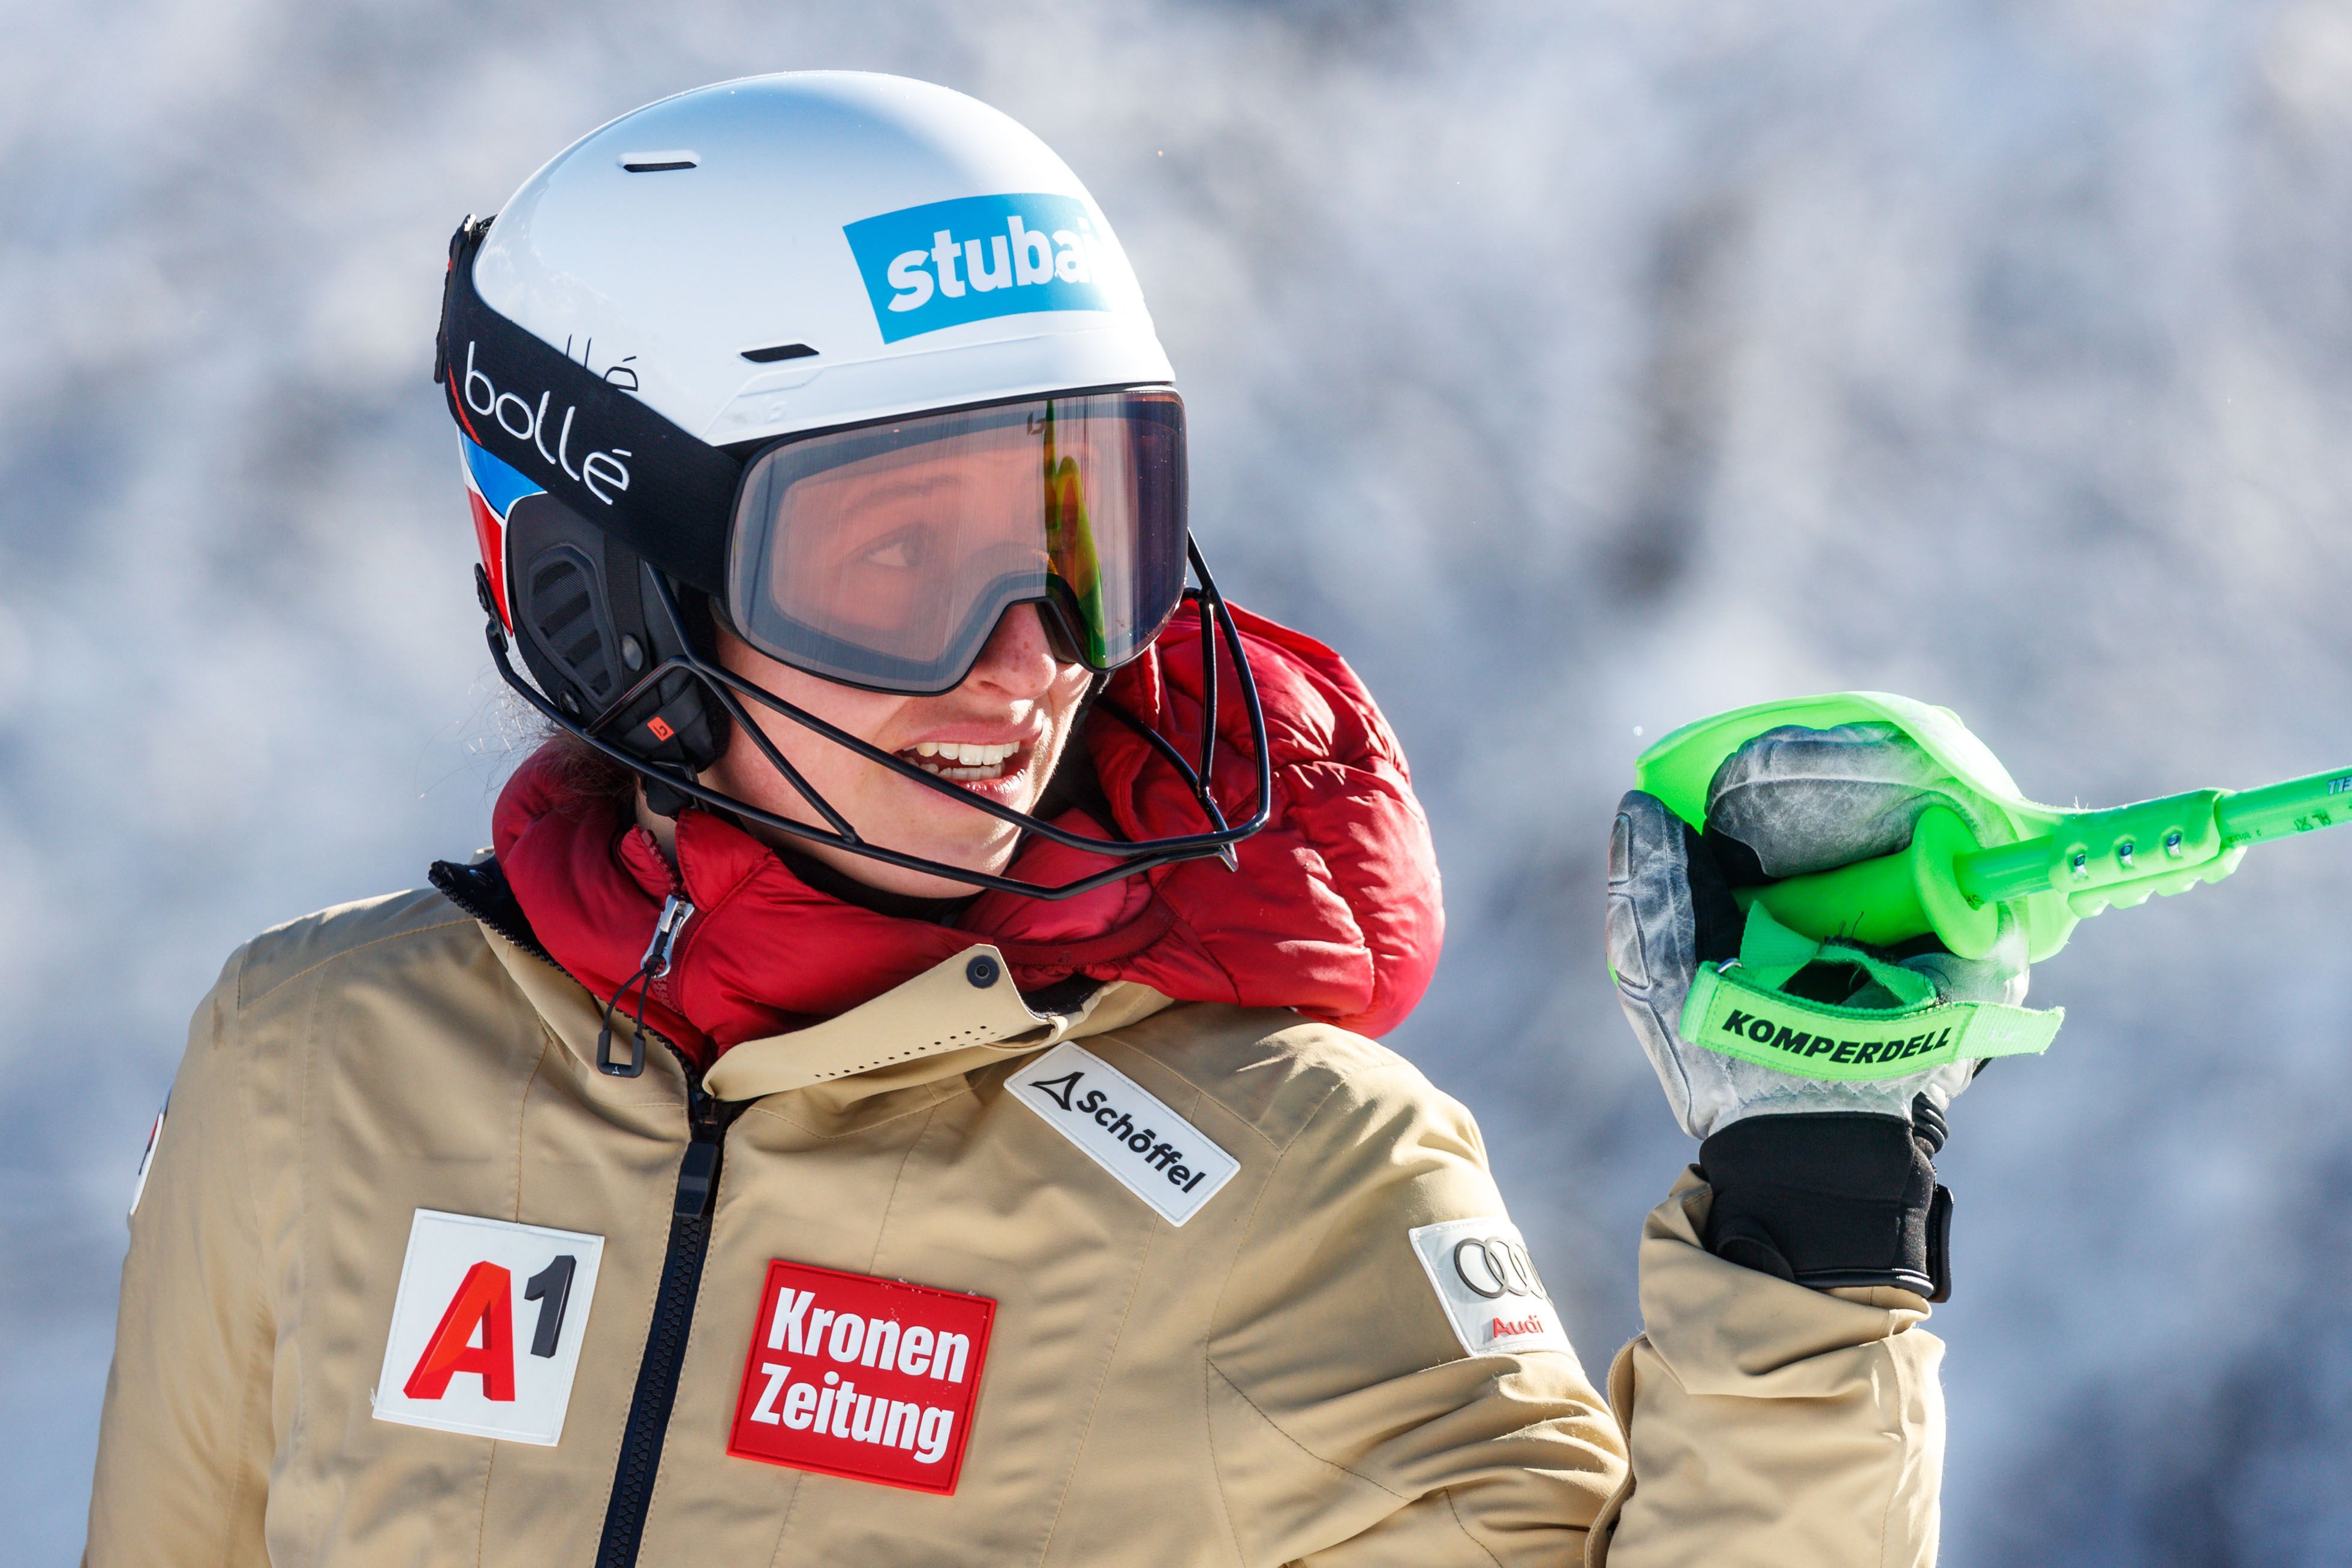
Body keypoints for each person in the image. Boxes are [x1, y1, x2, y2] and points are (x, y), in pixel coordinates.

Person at [88, 73, 1977, 1566]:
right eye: (897, 561)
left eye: (1077, 542)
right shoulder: (319, 1059)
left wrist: (1815, 1212)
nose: (1025, 668)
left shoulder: (1279, 1175)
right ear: (613, 601)